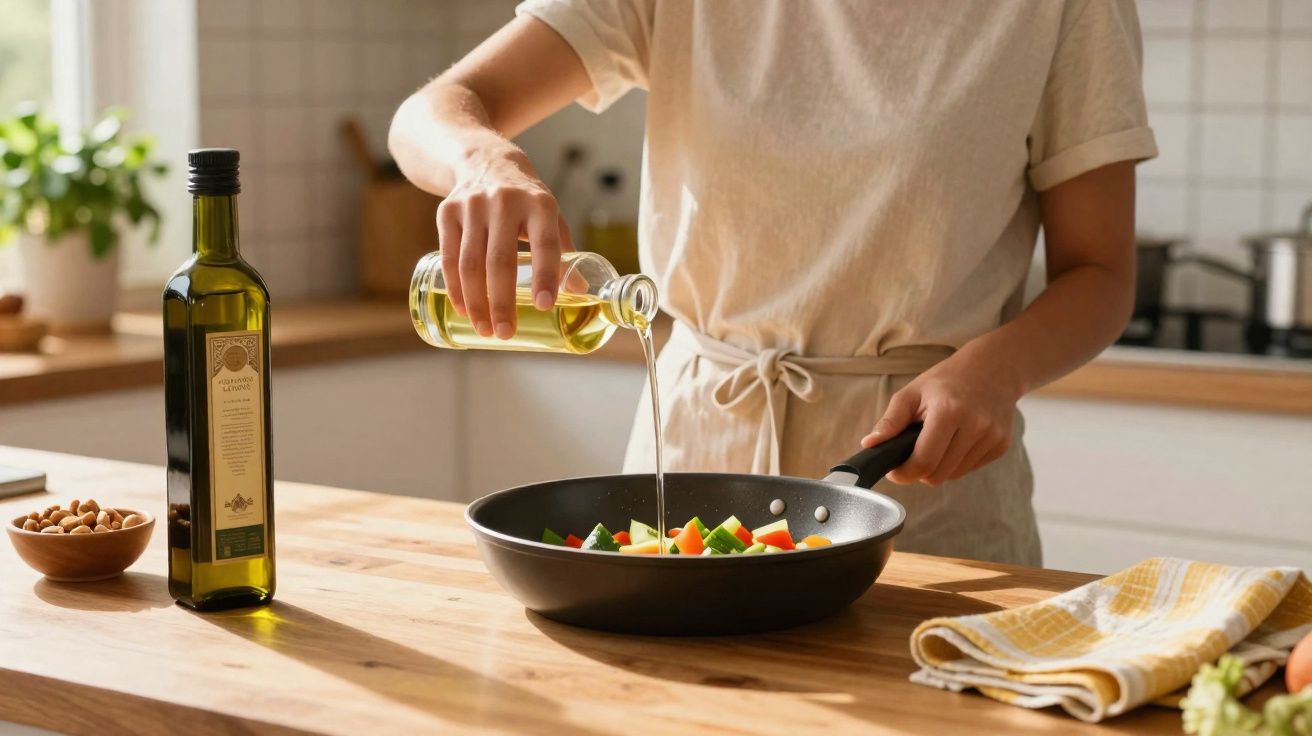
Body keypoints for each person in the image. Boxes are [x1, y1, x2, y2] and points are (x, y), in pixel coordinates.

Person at [389, 1, 1156, 565]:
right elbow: (432, 113)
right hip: (690, 464)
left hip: (923, 479)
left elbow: (1100, 273)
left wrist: (997, 370)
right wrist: (483, 162)